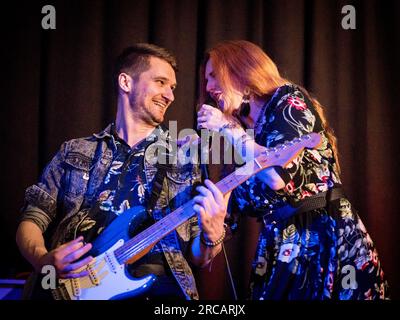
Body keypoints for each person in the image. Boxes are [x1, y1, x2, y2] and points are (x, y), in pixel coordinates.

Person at [16, 43, 228, 300]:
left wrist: (212, 236)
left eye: (172, 88)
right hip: (69, 290)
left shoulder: (183, 158)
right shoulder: (75, 150)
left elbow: (198, 256)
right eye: (160, 82)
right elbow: (33, 216)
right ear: (125, 82)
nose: (170, 95)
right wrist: (42, 259)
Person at [196, 40, 389, 300]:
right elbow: (224, 220)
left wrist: (227, 129)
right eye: (206, 80)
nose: (208, 87)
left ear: (240, 70)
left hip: (322, 236)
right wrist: (189, 165)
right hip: (278, 249)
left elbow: (276, 176)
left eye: (214, 76)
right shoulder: (245, 134)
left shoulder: (288, 100)